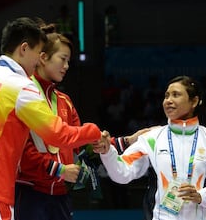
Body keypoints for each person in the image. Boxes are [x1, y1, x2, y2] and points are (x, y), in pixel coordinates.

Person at [0, 17, 103, 220]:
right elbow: (57, 135)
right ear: (24, 48)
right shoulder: (22, 87)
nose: (38, 61)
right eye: (38, 53)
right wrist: (94, 132)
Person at [14, 23, 152, 220]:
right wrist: (59, 169)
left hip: (61, 195)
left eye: (68, 61)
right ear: (43, 58)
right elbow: (20, 149)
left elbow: (81, 145)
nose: (67, 66)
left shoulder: (64, 101)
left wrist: (127, 140)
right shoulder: (23, 94)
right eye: (62, 59)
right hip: (30, 193)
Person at [94, 75, 206, 220]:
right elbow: (122, 174)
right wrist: (107, 152)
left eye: (176, 95)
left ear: (194, 101)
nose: (168, 101)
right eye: (166, 96)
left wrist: (202, 196)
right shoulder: (153, 138)